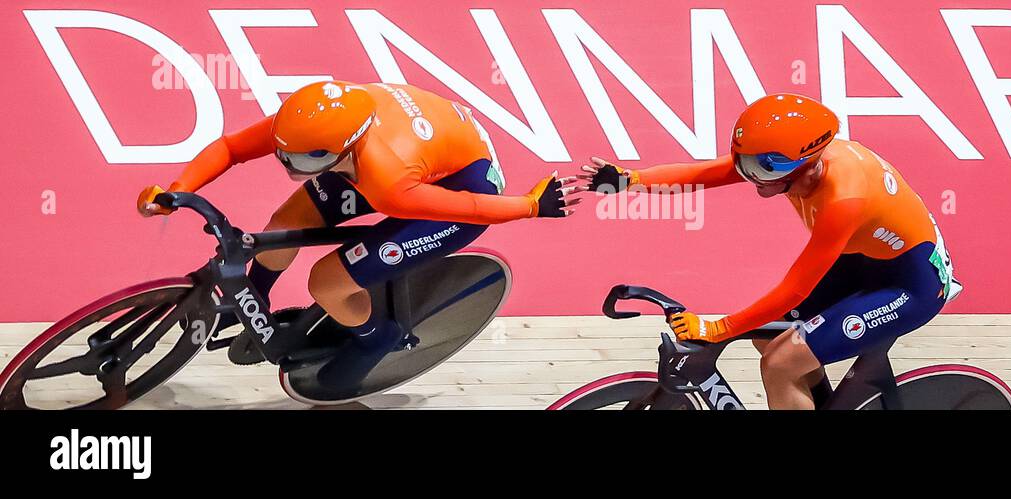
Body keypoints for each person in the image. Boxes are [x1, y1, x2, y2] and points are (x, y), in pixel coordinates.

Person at [137, 81, 578, 389]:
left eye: (305, 161)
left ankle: (377, 338)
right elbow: (232, 148)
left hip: (463, 184)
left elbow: (475, 209)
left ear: (344, 149)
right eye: (283, 155)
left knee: (328, 282)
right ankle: (257, 298)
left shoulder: (390, 182)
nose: (291, 168)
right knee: (282, 226)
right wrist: (177, 192)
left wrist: (531, 206)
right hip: (415, 143)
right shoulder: (311, 119)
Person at [579, 93, 960, 409]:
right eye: (747, 166)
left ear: (808, 168)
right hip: (866, 260)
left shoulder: (844, 198)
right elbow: (704, 174)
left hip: (909, 285)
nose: (752, 180)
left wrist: (717, 329)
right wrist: (631, 180)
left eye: (761, 173)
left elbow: (795, 289)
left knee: (781, 363)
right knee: (767, 335)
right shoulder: (785, 160)